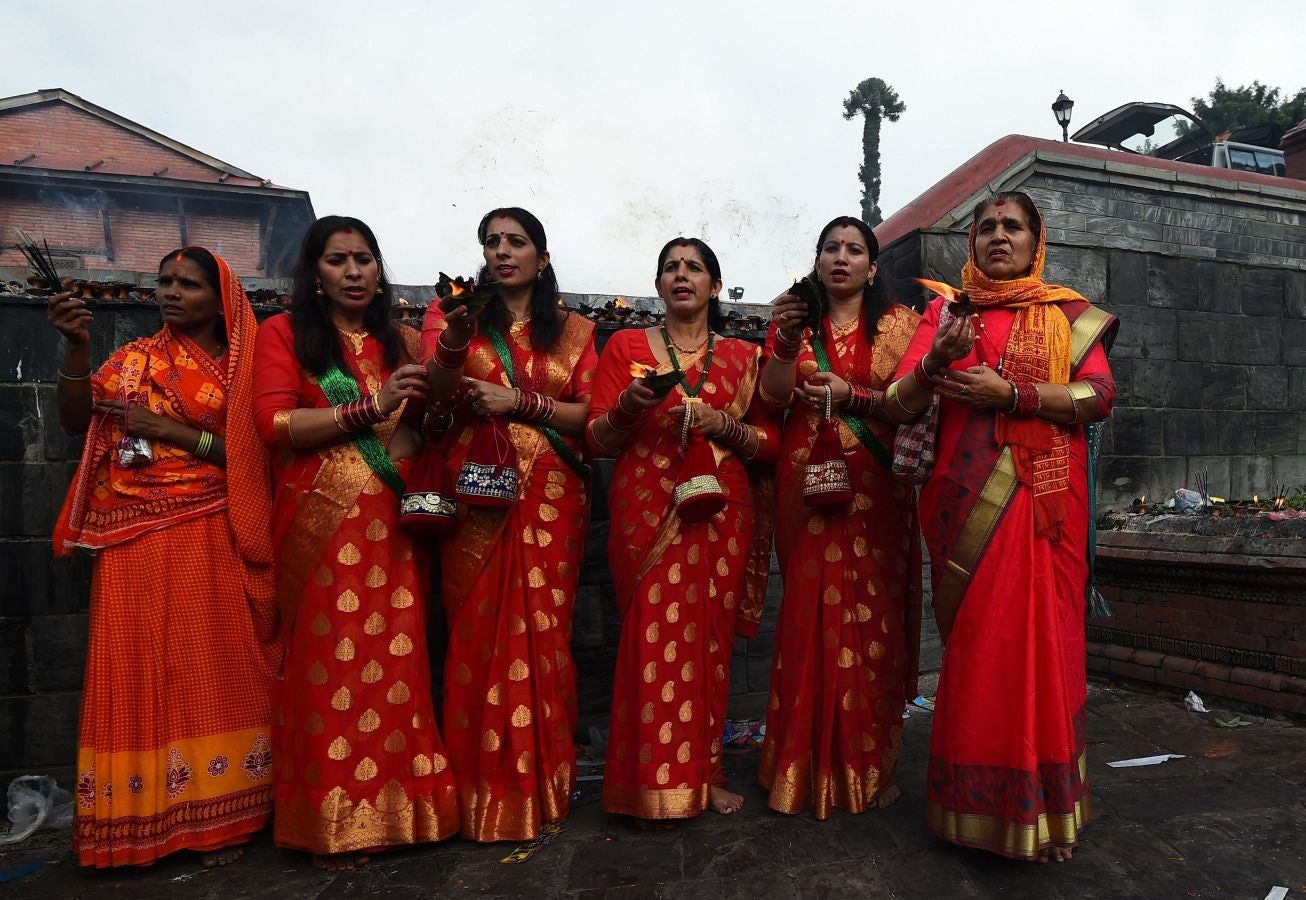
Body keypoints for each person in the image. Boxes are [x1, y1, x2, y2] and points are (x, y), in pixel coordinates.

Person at [885, 192, 1117, 863]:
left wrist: (1013, 395)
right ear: (972, 243)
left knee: (1045, 644)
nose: (998, 236)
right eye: (985, 227)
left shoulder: (1069, 315)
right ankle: (973, 809)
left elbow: (1099, 395)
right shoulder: (945, 314)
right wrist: (933, 363)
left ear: (1035, 242)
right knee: (982, 649)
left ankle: (1043, 809)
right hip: (962, 505)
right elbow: (898, 403)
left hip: (1045, 508)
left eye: (1012, 226)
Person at [49, 247, 278, 869]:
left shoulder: (248, 369)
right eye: (164, 281)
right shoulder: (134, 359)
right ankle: (142, 821)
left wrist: (174, 432)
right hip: (133, 538)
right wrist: (75, 348)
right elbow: (75, 421)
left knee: (215, 668)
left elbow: (260, 456)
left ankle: (221, 817)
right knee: (140, 669)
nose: (172, 292)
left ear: (222, 301)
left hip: (217, 527)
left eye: (189, 284)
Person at [252, 216, 459, 869]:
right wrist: (370, 408)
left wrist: (430, 416)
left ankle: (400, 814)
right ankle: (332, 824)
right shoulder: (284, 334)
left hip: (394, 524)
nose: (353, 271)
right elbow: (274, 423)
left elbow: (416, 430)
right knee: (330, 665)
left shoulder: (402, 342)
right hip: (321, 521)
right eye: (337, 260)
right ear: (314, 274)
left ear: (378, 269)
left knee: (398, 663)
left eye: (364, 259)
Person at [587, 237, 779, 823]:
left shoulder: (743, 357)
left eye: (694, 268)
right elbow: (596, 438)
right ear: (658, 284)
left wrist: (725, 425)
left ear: (714, 286)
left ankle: (707, 774)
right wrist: (628, 407)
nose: (681, 275)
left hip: (721, 508)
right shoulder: (625, 347)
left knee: (709, 641)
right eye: (670, 267)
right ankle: (646, 780)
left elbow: (770, 443)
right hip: (647, 511)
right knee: (649, 636)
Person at [421, 207, 597, 842]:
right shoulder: (451, 316)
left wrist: (518, 401)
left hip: (553, 495)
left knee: (544, 634)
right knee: (475, 631)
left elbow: (590, 416)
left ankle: (542, 784)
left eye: (516, 242)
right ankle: (478, 792)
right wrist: (452, 338)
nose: (502, 251)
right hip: (476, 490)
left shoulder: (574, 330)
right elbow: (435, 397)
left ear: (542, 258)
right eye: (491, 241)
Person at [755, 216, 923, 819]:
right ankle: (798, 765)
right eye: (831, 248)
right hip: (806, 483)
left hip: (876, 489)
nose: (842, 258)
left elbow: (911, 405)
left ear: (873, 268)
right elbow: (773, 398)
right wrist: (783, 339)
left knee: (873, 617)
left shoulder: (901, 326)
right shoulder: (795, 323)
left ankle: (868, 764)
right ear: (818, 261)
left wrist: (853, 397)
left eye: (855, 250)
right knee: (808, 616)